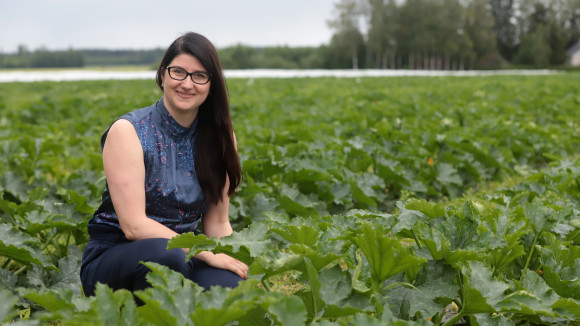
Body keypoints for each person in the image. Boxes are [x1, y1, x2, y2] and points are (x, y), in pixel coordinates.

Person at [80, 32, 247, 297]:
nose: (187, 84)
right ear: (162, 75)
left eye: (199, 76)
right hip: (119, 255)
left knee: (231, 287)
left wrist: (234, 260)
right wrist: (205, 253)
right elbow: (134, 226)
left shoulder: (221, 139)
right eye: (178, 72)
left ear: (211, 84)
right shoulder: (128, 131)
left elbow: (217, 224)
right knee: (164, 258)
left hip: (187, 256)